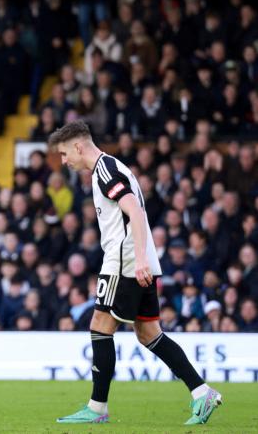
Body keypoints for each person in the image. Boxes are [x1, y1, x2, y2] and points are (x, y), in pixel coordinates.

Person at [50, 121, 221, 425]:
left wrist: (139, 258)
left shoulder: (105, 171)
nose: (64, 161)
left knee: (100, 327)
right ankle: (201, 392)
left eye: (64, 154)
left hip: (125, 261)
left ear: (78, 146)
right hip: (139, 260)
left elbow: (136, 212)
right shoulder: (112, 167)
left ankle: (97, 408)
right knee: (148, 333)